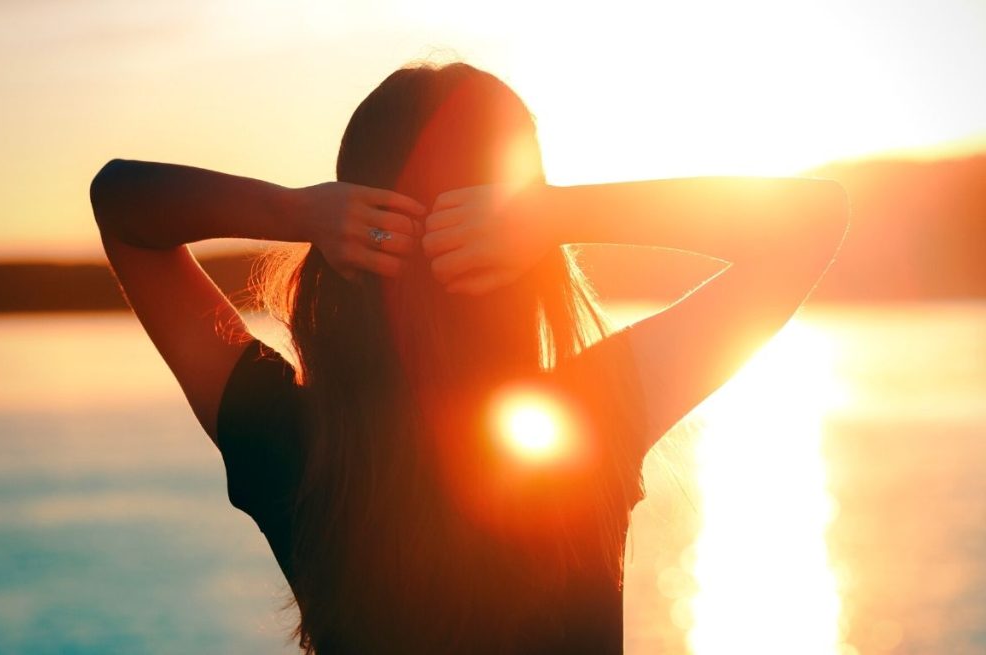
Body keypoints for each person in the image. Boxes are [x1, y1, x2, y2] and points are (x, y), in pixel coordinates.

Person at [89, 61, 849, 654]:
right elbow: (811, 220)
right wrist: (555, 214)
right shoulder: (587, 418)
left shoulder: (291, 438)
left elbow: (121, 206)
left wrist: (294, 211)